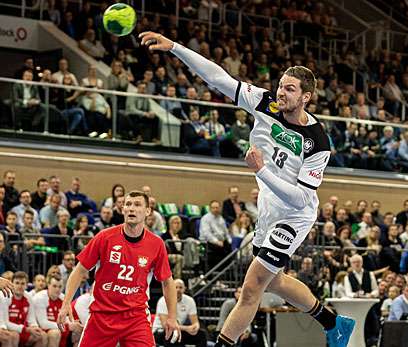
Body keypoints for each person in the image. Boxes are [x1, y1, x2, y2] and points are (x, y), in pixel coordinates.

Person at [139, 31, 355, 347]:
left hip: (294, 215)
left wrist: (261, 170)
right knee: (276, 282)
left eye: (290, 89)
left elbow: (299, 197)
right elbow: (218, 78)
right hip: (268, 210)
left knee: (252, 287)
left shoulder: (319, 143)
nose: (281, 92)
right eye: (281, 85)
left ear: (306, 97)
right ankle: (334, 323)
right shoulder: (264, 102)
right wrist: (175, 47)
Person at [57, 191, 180, 347]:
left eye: (137, 205)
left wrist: (172, 316)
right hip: (103, 315)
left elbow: (167, 282)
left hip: (136, 316)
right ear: (123, 210)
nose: (131, 209)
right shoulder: (104, 237)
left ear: (148, 211)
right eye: (128, 204)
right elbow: (80, 270)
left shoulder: (156, 244)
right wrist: (66, 302)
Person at [152, 279, 206, 347]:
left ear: (184, 289)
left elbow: (195, 322)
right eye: (176, 287)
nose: (178, 290)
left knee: (201, 335)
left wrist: (195, 328)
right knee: (173, 335)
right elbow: (165, 325)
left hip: (178, 329)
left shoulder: (190, 300)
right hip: (160, 331)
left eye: (180, 287)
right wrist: (187, 328)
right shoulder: (163, 300)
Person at [1, 271, 47, 347]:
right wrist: (26, 329)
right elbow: (5, 323)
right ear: (12, 284)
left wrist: (35, 327)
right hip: (10, 329)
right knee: (14, 336)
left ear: (26, 285)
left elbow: (31, 319)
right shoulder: (5, 296)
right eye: (17, 283)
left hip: (23, 330)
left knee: (42, 335)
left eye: (22, 283)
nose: (20, 286)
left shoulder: (28, 297)